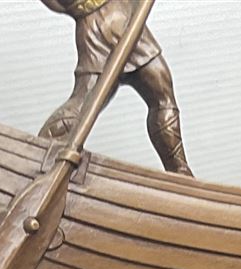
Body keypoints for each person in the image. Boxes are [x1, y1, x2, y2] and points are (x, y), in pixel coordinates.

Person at [38, 0, 192, 175]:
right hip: (106, 23)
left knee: (161, 95)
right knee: (85, 104)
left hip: (121, 19)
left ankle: (180, 173)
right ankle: (40, 152)